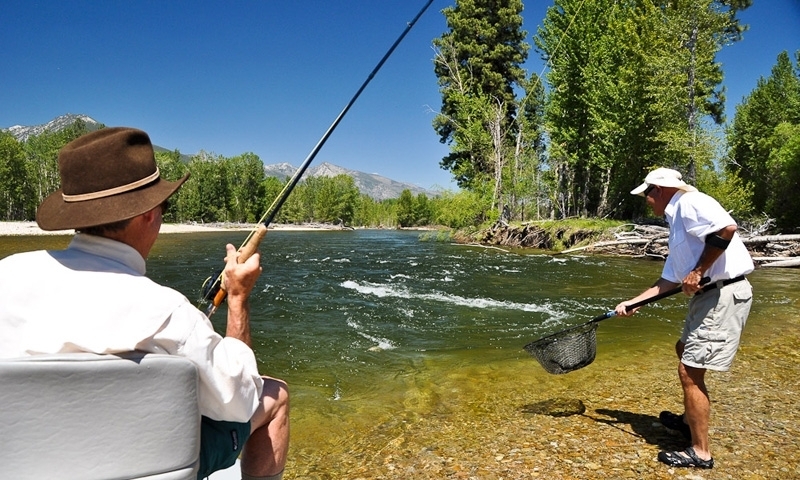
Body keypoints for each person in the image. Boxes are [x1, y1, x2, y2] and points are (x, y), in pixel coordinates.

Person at [0, 127, 289, 480]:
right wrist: (239, 297)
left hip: (25, 463)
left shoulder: (7, 274)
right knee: (274, 394)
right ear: (150, 214)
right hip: (136, 465)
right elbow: (241, 401)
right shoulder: (166, 311)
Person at [615, 167, 753, 469]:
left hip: (722, 293)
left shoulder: (691, 202)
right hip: (707, 297)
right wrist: (634, 302)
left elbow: (727, 229)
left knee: (689, 371)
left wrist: (698, 272)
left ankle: (701, 452)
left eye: (648, 194)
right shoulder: (676, 222)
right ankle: (688, 420)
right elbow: (667, 281)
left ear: (660, 189)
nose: (647, 200)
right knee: (684, 349)